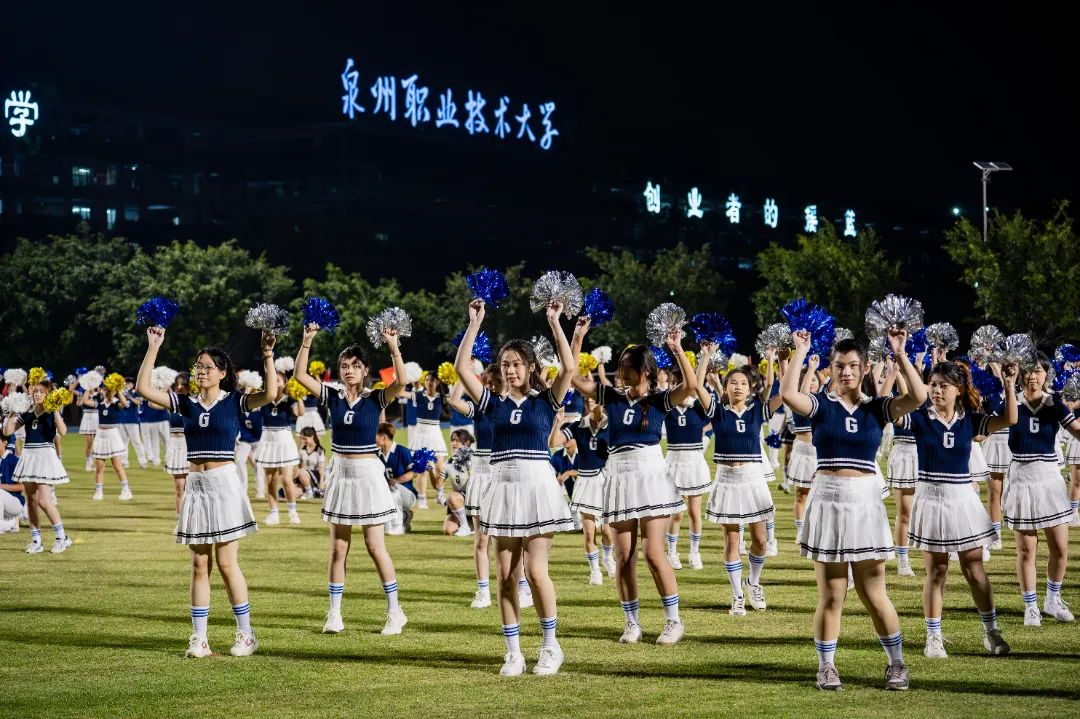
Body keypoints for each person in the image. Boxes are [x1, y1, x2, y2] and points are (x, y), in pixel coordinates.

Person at [781, 329, 925, 691]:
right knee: (832, 594)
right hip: (828, 498)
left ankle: (897, 663)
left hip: (864, 501)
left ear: (863, 369)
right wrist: (801, 352)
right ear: (830, 368)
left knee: (873, 592)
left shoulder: (878, 407)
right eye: (840, 365)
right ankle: (826, 666)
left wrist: (901, 353)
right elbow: (788, 394)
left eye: (853, 366)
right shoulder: (821, 405)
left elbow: (919, 397)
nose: (846, 371)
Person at [136, 325, 278, 658]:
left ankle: (246, 634)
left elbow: (271, 394)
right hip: (196, 486)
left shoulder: (235, 402)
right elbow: (143, 388)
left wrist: (267, 354)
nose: (201, 371)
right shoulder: (186, 404)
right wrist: (153, 346)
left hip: (224, 483)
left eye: (208, 367)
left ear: (222, 373)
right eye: (198, 366)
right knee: (200, 564)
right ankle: (199, 638)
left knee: (227, 563)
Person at [454, 298, 576, 676]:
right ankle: (513, 652)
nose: (510, 370)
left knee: (536, 572)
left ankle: (551, 646)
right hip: (503, 489)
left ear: (531, 367)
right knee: (506, 575)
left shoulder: (546, 401)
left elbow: (569, 367)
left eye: (517, 364)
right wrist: (475, 323)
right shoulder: (492, 404)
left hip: (537, 488)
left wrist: (555, 322)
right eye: (506, 364)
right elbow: (461, 368)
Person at [570, 317, 697, 647]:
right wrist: (578, 337)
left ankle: (673, 620)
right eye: (622, 369)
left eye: (629, 369)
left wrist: (677, 348)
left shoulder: (659, 400)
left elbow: (691, 385)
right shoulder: (610, 396)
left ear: (646, 372)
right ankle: (631, 623)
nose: (623, 375)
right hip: (618, 475)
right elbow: (572, 377)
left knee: (653, 552)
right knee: (623, 555)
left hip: (650, 474)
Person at [293, 322, 410, 637]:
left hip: (368, 474)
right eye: (344, 366)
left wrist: (393, 346)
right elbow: (300, 376)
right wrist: (307, 340)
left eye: (355, 366)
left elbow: (402, 381)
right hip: (341, 473)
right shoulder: (332, 396)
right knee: (338, 548)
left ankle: (395, 611)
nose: (349, 371)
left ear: (365, 370)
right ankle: (334, 613)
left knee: (375, 546)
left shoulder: (375, 398)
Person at [900, 360, 1017, 658]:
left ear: (958, 389)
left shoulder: (970, 421)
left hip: (963, 498)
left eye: (944, 385)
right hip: (931, 498)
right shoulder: (919, 418)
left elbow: (1010, 418)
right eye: (933, 384)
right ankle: (933, 637)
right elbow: (897, 412)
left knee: (974, 569)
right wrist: (901, 360)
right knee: (936, 571)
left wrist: (1008, 384)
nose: (937, 390)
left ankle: (991, 632)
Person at [1005, 352, 1080, 626]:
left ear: (1046, 374)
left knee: (1060, 548)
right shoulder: (1011, 401)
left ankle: (1052, 599)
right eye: (1028, 370)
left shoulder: (1054, 403)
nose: (1033, 376)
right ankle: (1030, 606)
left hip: (1049, 476)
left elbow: (1077, 431)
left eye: (1038, 370)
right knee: (1026, 549)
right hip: (1021, 476)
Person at [663, 352, 717, 571]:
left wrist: (705, 359)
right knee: (675, 513)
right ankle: (672, 552)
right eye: (674, 382)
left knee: (695, 512)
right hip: (674, 461)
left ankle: (694, 552)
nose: (677, 386)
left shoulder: (698, 406)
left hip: (694, 460)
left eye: (681, 382)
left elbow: (700, 388)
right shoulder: (667, 407)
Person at [3, 382, 71, 554]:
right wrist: (12, 411)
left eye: (42, 391)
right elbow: (7, 432)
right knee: (31, 501)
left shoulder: (50, 412)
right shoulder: (27, 413)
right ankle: (36, 540)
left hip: (44, 456)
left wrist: (56, 410)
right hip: (29, 456)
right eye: (36, 391)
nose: (38, 394)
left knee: (43, 501)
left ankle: (62, 537)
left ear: (48, 394)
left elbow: (63, 431)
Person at [255, 374, 302, 525]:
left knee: (287, 479)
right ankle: (274, 513)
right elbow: (250, 408)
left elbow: (300, 413)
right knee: (270, 480)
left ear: (284, 383)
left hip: (284, 440)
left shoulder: (289, 400)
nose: (275, 383)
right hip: (268, 440)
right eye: (272, 380)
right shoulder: (264, 399)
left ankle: (293, 512)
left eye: (278, 380)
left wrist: (299, 397)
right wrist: (250, 389)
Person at [89, 384, 131, 501]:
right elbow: (84, 401)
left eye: (108, 389)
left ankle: (126, 490)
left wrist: (118, 390)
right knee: (99, 466)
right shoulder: (100, 403)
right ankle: (98, 492)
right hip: (101, 435)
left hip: (113, 434)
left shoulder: (116, 403)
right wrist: (88, 387)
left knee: (117, 465)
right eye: (104, 389)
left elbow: (125, 404)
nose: (105, 391)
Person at [376, 423, 417, 536]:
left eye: (375, 435)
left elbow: (414, 473)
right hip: (388, 494)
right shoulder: (376, 454)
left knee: (392, 488)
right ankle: (403, 517)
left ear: (384, 438)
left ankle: (398, 525)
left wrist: (398, 480)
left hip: (407, 494)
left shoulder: (402, 451)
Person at [297, 427, 326, 499]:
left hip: (316, 476)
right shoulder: (302, 450)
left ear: (312, 437)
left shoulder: (319, 450)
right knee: (294, 493)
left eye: (305, 439)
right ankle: (313, 491)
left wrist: (321, 482)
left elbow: (321, 468)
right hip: (305, 477)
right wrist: (296, 480)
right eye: (302, 439)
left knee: (302, 472)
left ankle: (310, 493)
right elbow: (299, 466)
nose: (303, 441)